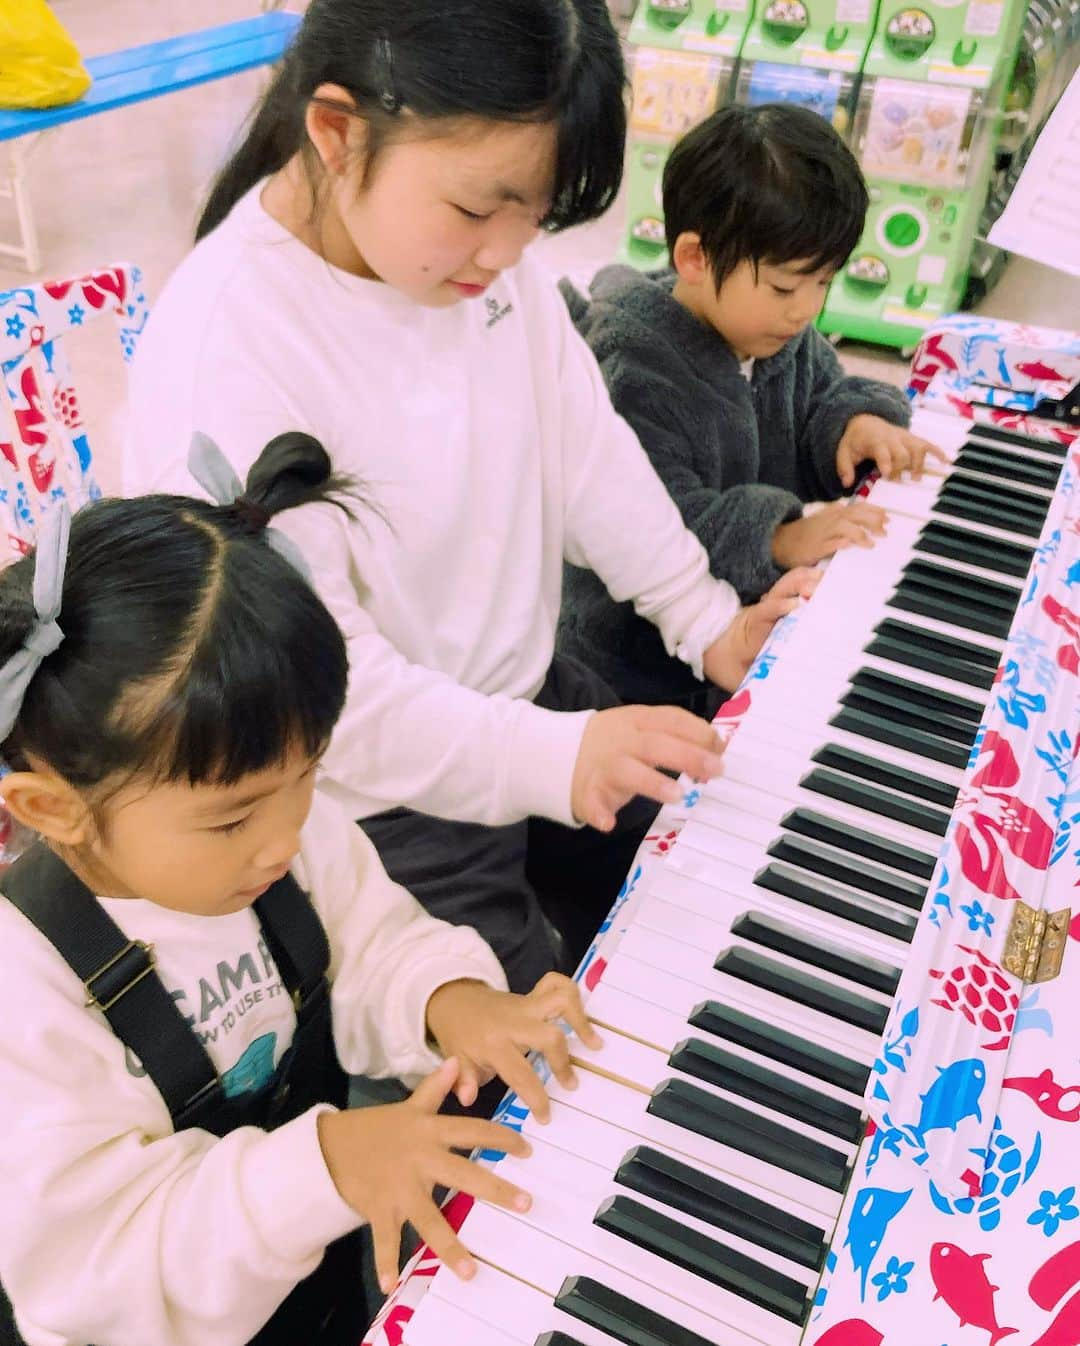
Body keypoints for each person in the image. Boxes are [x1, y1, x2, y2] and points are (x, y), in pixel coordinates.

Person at [122, 0, 812, 990]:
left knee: (741, 870)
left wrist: (705, 617)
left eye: (536, 217)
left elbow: (582, 448)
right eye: (480, 209)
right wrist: (549, 755)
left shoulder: (477, 266)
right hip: (370, 801)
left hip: (525, 697)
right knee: (536, 1079)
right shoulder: (227, 355)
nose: (508, 255)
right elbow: (324, 695)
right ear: (337, 131)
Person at [0, 434, 603, 1346]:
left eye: (310, 775)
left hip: (312, 1279)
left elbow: (371, 944)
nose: (287, 837)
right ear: (53, 807)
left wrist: (451, 999)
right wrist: (324, 1164)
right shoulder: (25, 996)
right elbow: (98, 1268)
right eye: (233, 817)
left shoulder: (285, 843)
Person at [558, 102, 941, 710]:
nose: (806, 309)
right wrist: (781, 537)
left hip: (735, 624)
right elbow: (656, 525)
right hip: (628, 665)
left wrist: (856, 425)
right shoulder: (632, 367)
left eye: (825, 282)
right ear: (694, 258)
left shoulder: (773, 331)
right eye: (787, 286)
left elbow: (822, 399)